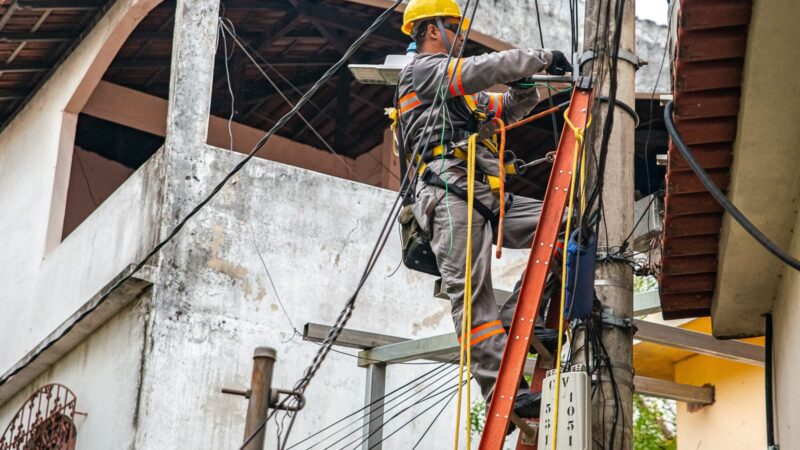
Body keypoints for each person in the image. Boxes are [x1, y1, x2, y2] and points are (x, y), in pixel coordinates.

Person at [395, 0, 572, 421]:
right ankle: (500, 396)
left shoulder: (459, 94)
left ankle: (515, 320)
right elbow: (485, 68)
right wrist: (541, 58)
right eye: (454, 26)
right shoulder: (422, 71)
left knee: (567, 220)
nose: (460, 35)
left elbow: (504, 109)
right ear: (432, 29)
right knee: (474, 298)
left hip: (485, 194)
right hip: (449, 194)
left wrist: (525, 88)